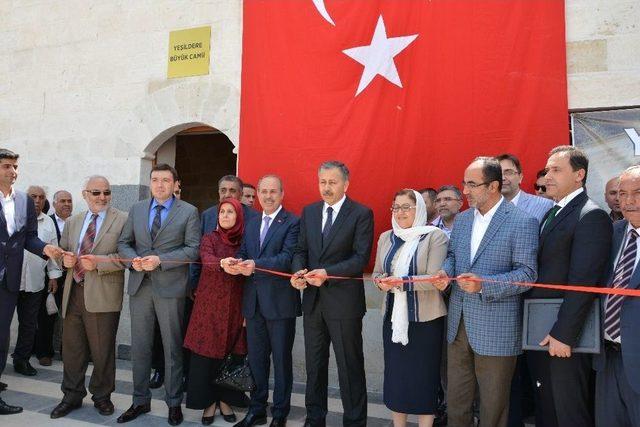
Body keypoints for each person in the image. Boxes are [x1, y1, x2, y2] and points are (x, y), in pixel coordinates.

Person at [431, 156, 539, 427]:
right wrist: (445, 272)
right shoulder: (464, 220)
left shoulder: (521, 222)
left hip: (497, 328)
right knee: (457, 402)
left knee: (493, 407)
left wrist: (484, 284)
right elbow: (453, 256)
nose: (464, 191)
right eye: (464, 183)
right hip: (458, 324)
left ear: (493, 186)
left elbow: (527, 275)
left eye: (471, 184)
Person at [526, 145, 612, 427]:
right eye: (548, 169)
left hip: (564, 338)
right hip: (542, 331)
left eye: (556, 170)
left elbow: (583, 282)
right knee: (547, 407)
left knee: (568, 411)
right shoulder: (553, 212)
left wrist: (564, 335)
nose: (547, 176)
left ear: (579, 175)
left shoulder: (590, 215)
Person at [291, 160, 374, 427]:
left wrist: (327, 272)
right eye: (322, 182)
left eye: (332, 182)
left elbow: (360, 258)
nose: (326, 188)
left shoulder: (361, 213)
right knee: (315, 366)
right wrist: (298, 273)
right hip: (313, 303)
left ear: (345, 184)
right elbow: (300, 250)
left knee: (349, 366)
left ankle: (354, 421)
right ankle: (315, 419)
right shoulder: (310, 212)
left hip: (344, 304)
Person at [117, 163, 201, 426]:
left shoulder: (188, 211)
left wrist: (160, 260)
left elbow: (193, 249)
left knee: (172, 347)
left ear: (175, 183)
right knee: (140, 348)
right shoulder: (137, 209)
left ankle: (174, 403)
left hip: (171, 288)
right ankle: (139, 400)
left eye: (166, 180)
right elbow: (123, 243)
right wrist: (134, 260)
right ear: (150, 182)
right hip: (140, 286)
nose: (160, 185)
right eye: (155, 180)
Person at [223, 175, 300, 427]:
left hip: (280, 306)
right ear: (257, 194)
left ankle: (279, 415)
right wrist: (235, 262)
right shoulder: (252, 222)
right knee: (256, 361)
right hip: (254, 304)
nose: (267, 196)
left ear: (282, 194)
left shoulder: (292, 222)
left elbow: (286, 258)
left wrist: (254, 265)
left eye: (273, 191)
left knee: (281, 362)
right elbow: (245, 252)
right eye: (263, 191)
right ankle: (256, 410)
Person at [49, 176, 128, 419]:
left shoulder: (123, 219)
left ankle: (102, 396)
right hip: (73, 292)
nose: (102, 197)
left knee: (102, 350)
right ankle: (71, 395)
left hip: (103, 294)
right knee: (72, 349)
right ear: (85, 194)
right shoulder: (74, 222)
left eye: (106, 192)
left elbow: (127, 256)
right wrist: (65, 259)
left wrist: (99, 264)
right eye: (96, 192)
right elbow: (62, 252)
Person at [373, 189, 449, 427]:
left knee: (424, 376)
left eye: (407, 207)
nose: (400, 212)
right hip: (394, 318)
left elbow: (434, 279)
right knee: (397, 376)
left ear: (420, 210)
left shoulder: (435, 236)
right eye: (396, 207)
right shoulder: (387, 237)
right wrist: (380, 282)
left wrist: (401, 282)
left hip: (425, 320)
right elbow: (376, 272)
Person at [0, 148, 63, 415]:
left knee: (2, 339)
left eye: (15, 166)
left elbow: (29, 238)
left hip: (9, 282)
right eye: (6, 166)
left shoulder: (25, 201)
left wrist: (46, 249)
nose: (13, 172)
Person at [184, 198, 247, 425]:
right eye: (222, 212)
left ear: (239, 217)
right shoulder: (208, 238)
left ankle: (225, 399)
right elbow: (207, 260)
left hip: (235, 309)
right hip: (208, 308)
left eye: (231, 212)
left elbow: (251, 272)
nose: (226, 216)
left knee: (229, 356)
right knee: (205, 356)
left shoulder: (245, 242)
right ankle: (208, 402)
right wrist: (223, 263)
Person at [593, 165, 640, 427]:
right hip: (607, 358)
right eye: (623, 194)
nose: (629, 201)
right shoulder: (613, 232)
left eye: (638, 192)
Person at [11, 186, 62, 377]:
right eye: (33, 196)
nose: (37, 201)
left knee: (29, 323)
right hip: (9, 282)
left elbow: (54, 252)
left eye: (41, 197)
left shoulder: (48, 223)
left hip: (35, 281)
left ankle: (21, 360)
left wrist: (54, 277)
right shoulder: (12, 217)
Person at [34, 189, 73, 365]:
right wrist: (53, 275)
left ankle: (70, 352)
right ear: (55, 203)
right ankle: (44, 352)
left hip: (73, 276)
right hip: (51, 275)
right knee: (47, 314)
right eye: (62, 201)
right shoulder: (47, 221)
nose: (66, 204)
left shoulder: (79, 222)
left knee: (73, 315)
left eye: (69, 201)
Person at [497, 153, 554, 223]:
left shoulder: (545, 205)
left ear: (520, 177)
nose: (503, 178)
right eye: (498, 173)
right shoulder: (486, 208)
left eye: (508, 172)